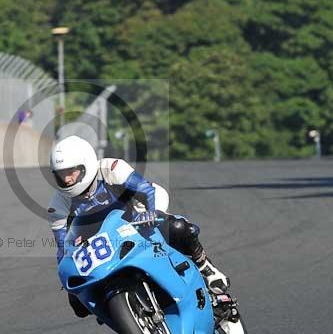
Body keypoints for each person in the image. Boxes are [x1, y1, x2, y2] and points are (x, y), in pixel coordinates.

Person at [47, 135, 230, 318]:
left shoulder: (111, 168)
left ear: (86, 164)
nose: (68, 179)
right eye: (62, 175)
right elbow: (63, 247)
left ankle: (205, 267)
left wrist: (151, 213)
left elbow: (147, 190)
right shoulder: (58, 203)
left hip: (139, 217)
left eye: (71, 171)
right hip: (103, 241)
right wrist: (69, 281)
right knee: (78, 303)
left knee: (177, 227)